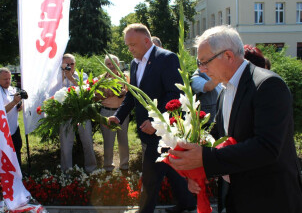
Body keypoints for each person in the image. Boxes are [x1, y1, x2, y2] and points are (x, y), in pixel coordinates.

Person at [169, 25, 302, 213]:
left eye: (205, 62)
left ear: (229, 56)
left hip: (270, 198)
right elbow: (219, 135)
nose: (203, 69)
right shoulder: (226, 89)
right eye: (200, 63)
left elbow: (267, 147)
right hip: (238, 195)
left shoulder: (268, 85)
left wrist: (206, 159)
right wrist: (196, 168)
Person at [108, 24, 196, 213]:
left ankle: (144, 210)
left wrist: (157, 122)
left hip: (163, 130)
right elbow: (132, 95)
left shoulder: (167, 59)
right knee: (171, 167)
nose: (130, 49)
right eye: (127, 45)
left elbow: (174, 94)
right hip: (146, 130)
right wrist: (118, 116)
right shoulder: (133, 63)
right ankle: (188, 203)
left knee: (150, 176)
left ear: (146, 41)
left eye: (133, 45)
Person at [59, 53, 97, 173]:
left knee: (87, 142)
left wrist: (71, 79)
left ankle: (91, 169)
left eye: (72, 64)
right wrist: (62, 76)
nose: (70, 66)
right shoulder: (56, 77)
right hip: (65, 114)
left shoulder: (82, 75)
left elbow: (87, 91)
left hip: (82, 113)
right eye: (67, 64)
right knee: (65, 145)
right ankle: (67, 172)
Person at [97, 54, 130, 172]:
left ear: (118, 65)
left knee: (123, 140)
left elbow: (129, 92)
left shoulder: (125, 77)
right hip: (106, 112)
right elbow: (95, 97)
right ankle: (108, 167)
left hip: (122, 113)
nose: (111, 66)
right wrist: (107, 93)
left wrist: (123, 92)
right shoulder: (100, 78)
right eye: (108, 64)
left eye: (113, 63)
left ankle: (124, 165)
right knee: (108, 141)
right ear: (105, 65)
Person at [0, 67, 23, 166]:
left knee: (17, 150)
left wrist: (19, 105)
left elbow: (16, 102)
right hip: (2, 130)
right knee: (4, 157)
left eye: (9, 79)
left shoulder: (11, 88)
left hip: (14, 127)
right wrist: (14, 102)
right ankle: (6, 179)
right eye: (5, 79)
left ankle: (18, 175)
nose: (8, 81)